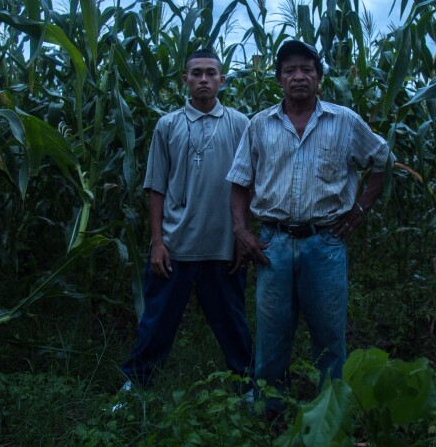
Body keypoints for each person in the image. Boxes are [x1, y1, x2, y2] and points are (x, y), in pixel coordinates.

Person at [227, 40, 390, 412]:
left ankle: (329, 414)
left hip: (325, 243)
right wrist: (242, 231)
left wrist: (359, 210)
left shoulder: (344, 121)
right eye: (289, 70)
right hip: (274, 245)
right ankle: (269, 410)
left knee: (330, 338)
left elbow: (383, 160)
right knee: (271, 337)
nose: (298, 76)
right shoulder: (259, 125)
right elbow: (239, 182)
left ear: (318, 76)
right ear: (278, 79)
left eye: (306, 69)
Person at [120, 48, 253, 392]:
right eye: (196, 73)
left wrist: (243, 237)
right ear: (185, 81)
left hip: (223, 249)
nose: (204, 79)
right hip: (176, 248)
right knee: (156, 325)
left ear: (222, 80)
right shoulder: (168, 126)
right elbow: (156, 187)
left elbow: (248, 186)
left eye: (211, 73)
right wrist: (157, 243)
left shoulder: (241, 125)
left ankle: (249, 388)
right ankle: (135, 389)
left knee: (234, 327)